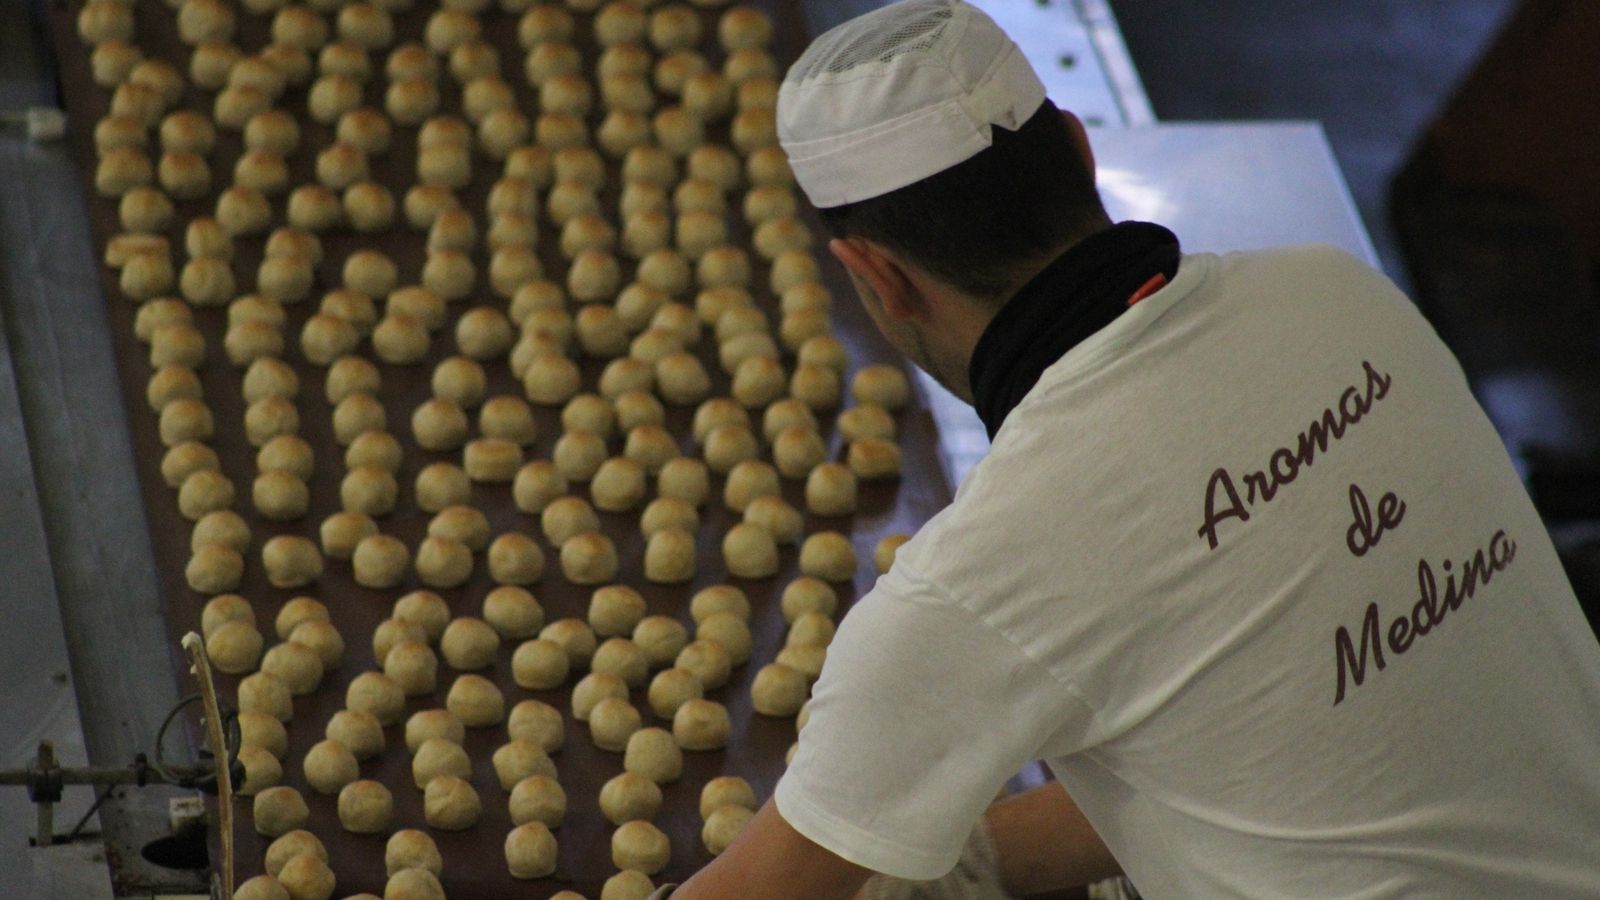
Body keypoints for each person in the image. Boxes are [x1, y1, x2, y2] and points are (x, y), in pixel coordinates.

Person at [660, 1, 1600, 897]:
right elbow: (1263, 761)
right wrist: (948, 862)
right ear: (1078, 147)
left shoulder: (982, 577)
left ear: (877, 276)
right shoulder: (1342, 295)